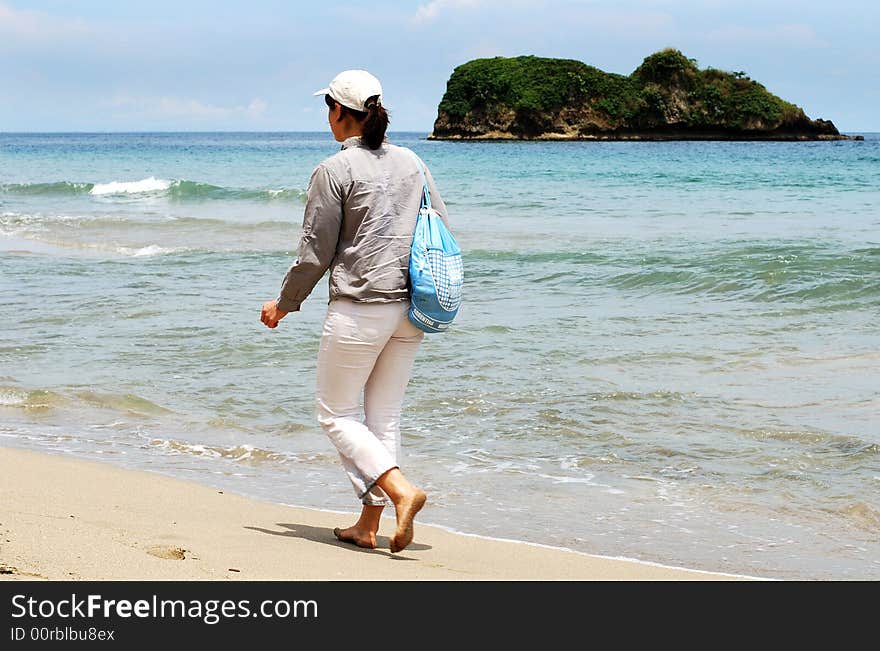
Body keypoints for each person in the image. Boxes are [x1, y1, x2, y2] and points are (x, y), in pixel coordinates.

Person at [260, 70, 450, 553]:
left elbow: (315, 253)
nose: (328, 119)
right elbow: (441, 228)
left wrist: (284, 304)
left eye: (329, 109)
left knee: (336, 414)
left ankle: (402, 491)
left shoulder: (334, 170)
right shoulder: (414, 162)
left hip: (361, 307)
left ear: (340, 112)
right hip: (412, 310)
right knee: (382, 418)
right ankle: (368, 526)